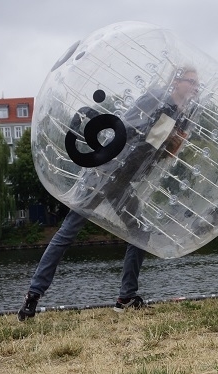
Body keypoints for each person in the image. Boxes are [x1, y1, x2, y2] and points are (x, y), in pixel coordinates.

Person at [18, 67, 200, 321]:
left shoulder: (183, 117)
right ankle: (33, 295)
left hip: (124, 181)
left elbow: (165, 154)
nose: (194, 87)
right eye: (190, 82)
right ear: (176, 82)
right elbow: (124, 127)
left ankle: (126, 297)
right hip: (105, 172)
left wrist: (176, 135)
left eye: (196, 84)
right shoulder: (155, 97)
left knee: (140, 232)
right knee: (69, 230)